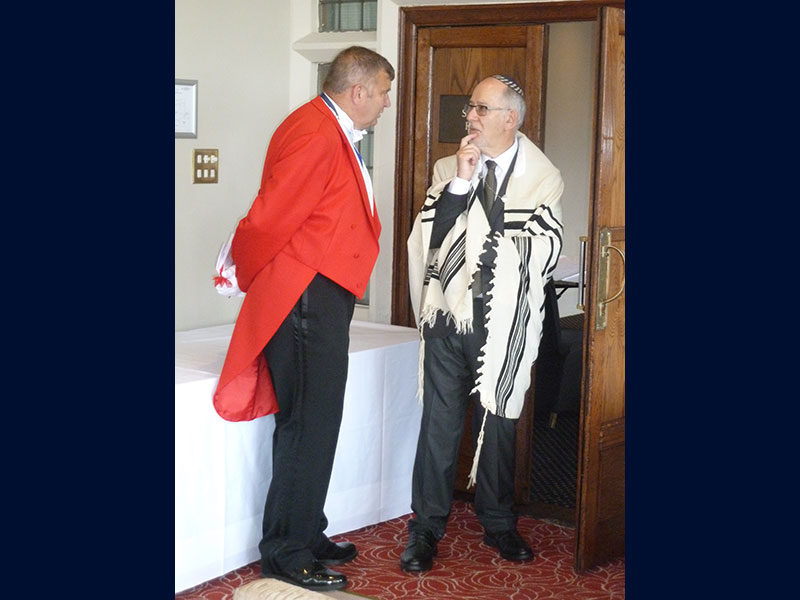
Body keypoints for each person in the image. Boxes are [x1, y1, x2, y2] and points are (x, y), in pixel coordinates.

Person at [212, 46, 394, 592]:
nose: (386, 103)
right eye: (384, 92)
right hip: (304, 296)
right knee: (307, 426)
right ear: (358, 91)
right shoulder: (316, 132)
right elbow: (271, 217)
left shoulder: (321, 125)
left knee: (317, 422)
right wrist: (238, 268)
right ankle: (287, 553)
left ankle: (305, 529)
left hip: (318, 292)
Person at [403, 74, 564, 572]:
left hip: (502, 320)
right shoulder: (450, 166)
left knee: (498, 421)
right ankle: (426, 527)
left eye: (479, 109)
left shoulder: (542, 177)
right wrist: (462, 180)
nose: (469, 117)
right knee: (439, 423)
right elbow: (429, 235)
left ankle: (498, 522)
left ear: (509, 119)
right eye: (470, 109)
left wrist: (492, 247)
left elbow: (548, 246)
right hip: (448, 315)